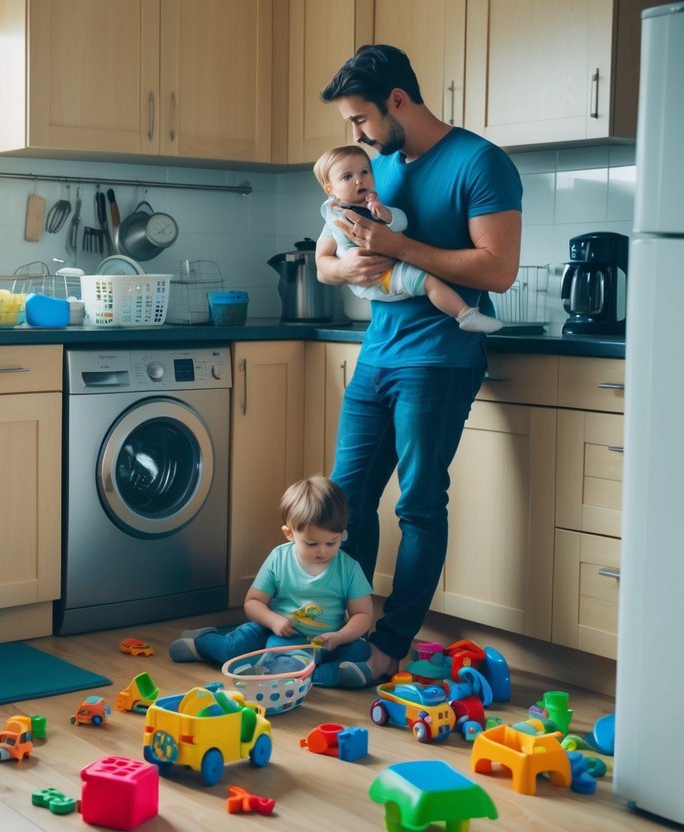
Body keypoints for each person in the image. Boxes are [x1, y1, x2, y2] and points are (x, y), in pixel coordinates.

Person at [315, 44, 523, 686]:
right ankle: (345, 631)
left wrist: (399, 245)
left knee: (419, 505)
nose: (356, 134)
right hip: (377, 354)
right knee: (345, 503)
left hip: (439, 358)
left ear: (397, 101)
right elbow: (326, 259)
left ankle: (389, 647)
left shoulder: (480, 162)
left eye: (361, 118)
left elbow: (499, 269)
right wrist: (345, 267)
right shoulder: (371, 170)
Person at [168, 476, 376, 689]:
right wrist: (274, 621)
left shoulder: (349, 568)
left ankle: (302, 671)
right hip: (278, 634)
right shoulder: (279, 559)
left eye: (332, 542)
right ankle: (203, 643)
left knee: (360, 650)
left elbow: (363, 614)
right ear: (289, 533)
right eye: (312, 543)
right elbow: (253, 602)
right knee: (233, 648)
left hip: (326, 642)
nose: (322, 551)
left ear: (342, 534)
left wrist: (340, 636)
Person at [314, 144, 503, 334]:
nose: (359, 180)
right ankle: (465, 315)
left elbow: (400, 223)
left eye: (364, 172)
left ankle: (466, 315)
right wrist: (346, 266)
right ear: (330, 188)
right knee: (429, 282)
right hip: (380, 278)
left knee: (429, 282)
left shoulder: (375, 205)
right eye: (347, 177)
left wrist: (385, 214)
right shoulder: (333, 215)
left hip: (395, 283)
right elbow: (322, 267)